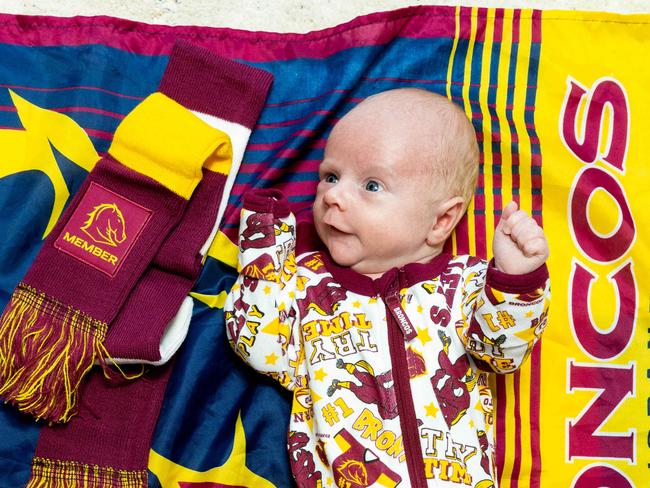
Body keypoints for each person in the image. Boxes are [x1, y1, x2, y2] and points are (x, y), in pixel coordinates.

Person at [224, 88, 550, 488]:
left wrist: (514, 281)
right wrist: (264, 247)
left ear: (441, 221)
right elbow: (256, 344)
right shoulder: (306, 287)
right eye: (330, 176)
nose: (334, 197)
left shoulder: (466, 285)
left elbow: (501, 353)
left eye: (372, 185)